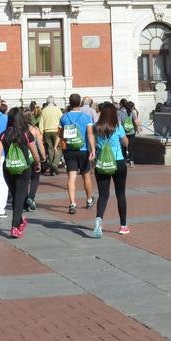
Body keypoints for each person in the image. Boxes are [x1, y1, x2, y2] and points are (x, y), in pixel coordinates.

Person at [0, 108, 42, 239]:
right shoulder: (26, 134)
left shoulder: (3, 135)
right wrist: (38, 163)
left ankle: (20, 221)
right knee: (20, 196)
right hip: (24, 168)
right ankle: (14, 227)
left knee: (16, 195)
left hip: (8, 169)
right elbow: (34, 152)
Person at [89, 102, 130, 238]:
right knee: (120, 194)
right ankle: (123, 225)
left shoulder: (96, 127)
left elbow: (92, 143)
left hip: (102, 163)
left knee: (103, 195)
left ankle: (98, 219)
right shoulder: (117, 126)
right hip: (118, 161)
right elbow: (126, 142)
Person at [59, 94, 95, 214]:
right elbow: (90, 134)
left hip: (70, 150)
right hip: (83, 150)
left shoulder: (64, 117)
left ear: (69, 102)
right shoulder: (86, 117)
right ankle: (89, 199)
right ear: (79, 103)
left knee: (71, 177)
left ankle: (72, 203)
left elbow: (60, 134)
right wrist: (93, 149)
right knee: (86, 176)